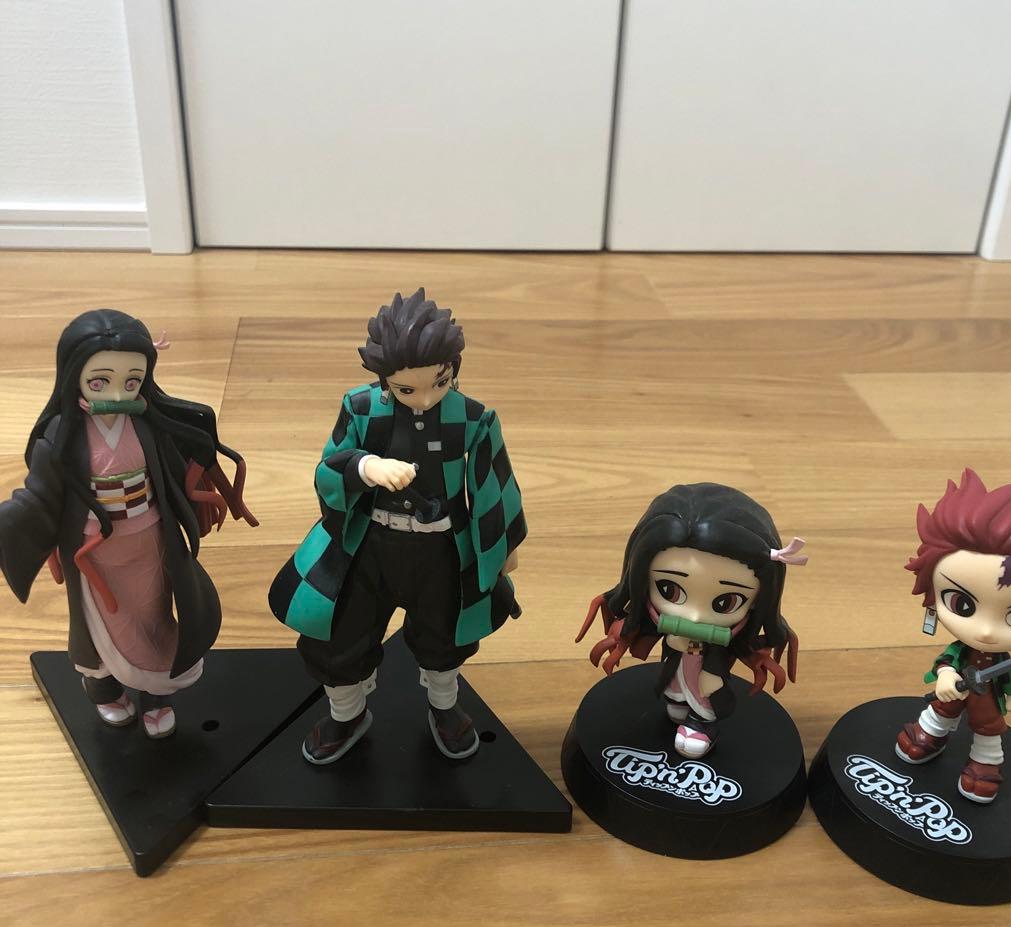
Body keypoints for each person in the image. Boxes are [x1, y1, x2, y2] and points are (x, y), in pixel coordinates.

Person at [269, 288, 526, 764]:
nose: (424, 399)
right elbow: (328, 469)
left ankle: (444, 706)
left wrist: (503, 549)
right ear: (384, 379)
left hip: (441, 548)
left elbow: (494, 486)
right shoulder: (362, 408)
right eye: (407, 390)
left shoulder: (473, 419)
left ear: (453, 369)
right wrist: (365, 466)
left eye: (440, 382)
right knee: (339, 633)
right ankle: (346, 713)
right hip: (369, 544)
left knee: (446, 634)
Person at [0, 309, 257, 738]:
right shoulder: (63, 434)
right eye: (101, 382)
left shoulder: (149, 424)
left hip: (151, 538)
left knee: (156, 615)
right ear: (74, 375)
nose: (118, 393)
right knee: (98, 625)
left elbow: (178, 467)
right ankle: (103, 688)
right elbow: (39, 494)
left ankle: (156, 695)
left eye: (132, 382)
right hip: (94, 553)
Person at [576, 483, 805, 759]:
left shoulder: (732, 632)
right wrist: (623, 634)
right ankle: (680, 704)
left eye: (726, 602)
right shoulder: (655, 615)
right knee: (674, 688)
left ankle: (702, 723)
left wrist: (752, 652)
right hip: (677, 660)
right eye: (668, 590)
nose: (694, 617)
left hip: (708, 667)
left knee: (706, 691)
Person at [896, 468, 1011, 803]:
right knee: (940, 712)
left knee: (989, 729)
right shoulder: (960, 650)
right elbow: (946, 661)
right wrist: (946, 675)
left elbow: (1010, 676)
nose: (985, 631)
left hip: (987, 695)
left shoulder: (1000, 659)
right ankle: (930, 735)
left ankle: (985, 764)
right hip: (955, 688)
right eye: (962, 604)